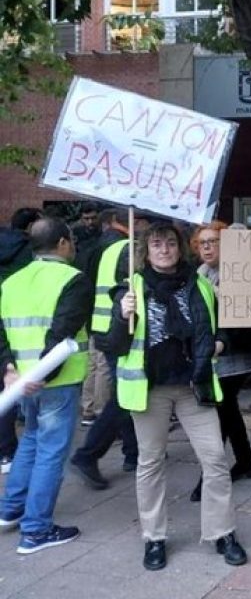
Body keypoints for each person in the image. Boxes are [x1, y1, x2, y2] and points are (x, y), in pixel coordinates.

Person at [102, 221, 247, 571]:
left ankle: (222, 532)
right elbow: (113, 346)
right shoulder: (130, 289)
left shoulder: (200, 284)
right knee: (150, 464)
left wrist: (220, 342)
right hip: (149, 391)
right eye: (156, 244)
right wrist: (123, 317)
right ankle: (154, 537)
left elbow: (222, 325)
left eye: (169, 243)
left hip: (193, 387)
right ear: (146, 251)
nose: (164, 250)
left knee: (214, 459)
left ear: (180, 248)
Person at [0, 217, 93, 554]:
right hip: (57, 381)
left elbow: (2, 333)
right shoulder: (73, 279)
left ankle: (9, 510)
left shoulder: (12, 281)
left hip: (23, 381)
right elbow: (61, 334)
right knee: (51, 453)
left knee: (31, 443)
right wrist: (41, 377)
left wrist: (10, 371)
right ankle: (36, 530)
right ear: (64, 243)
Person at [189, 221, 251, 503]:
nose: (207, 247)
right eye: (202, 243)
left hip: (237, 352)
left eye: (214, 241)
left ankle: (210, 477)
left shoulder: (240, 272)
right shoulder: (201, 274)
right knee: (228, 408)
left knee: (219, 410)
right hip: (217, 354)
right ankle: (246, 462)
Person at [69, 209, 140, 488]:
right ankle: (88, 454)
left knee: (125, 392)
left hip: (101, 326)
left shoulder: (97, 245)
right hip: (120, 330)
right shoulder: (128, 249)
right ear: (135, 222)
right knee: (124, 396)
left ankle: (133, 453)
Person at [0, 206, 41, 474]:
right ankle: (9, 450)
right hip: (16, 325)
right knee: (11, 388)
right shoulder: (29, 252)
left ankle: (5, 452)